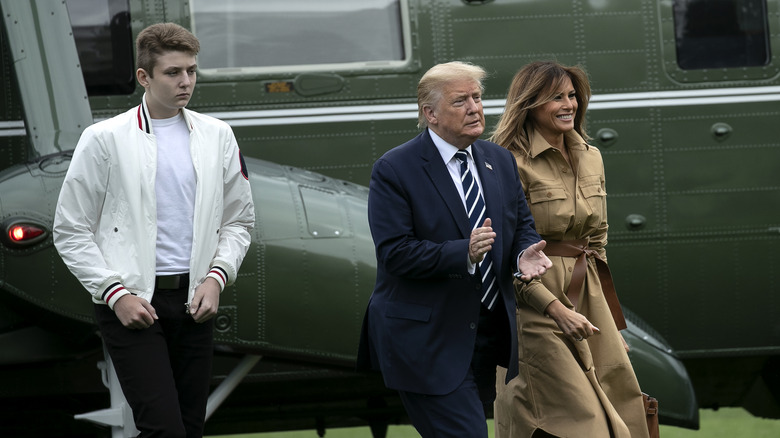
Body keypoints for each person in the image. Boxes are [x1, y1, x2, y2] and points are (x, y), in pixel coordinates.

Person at [53, 23, 255, 438]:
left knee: (189, 429)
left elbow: (238, 221)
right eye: (173, 72)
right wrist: (116, 294)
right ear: (144, 77)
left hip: (195, 303)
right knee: (164, 431)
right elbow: (70, 230)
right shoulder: (104, 139)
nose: (186, 82)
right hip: (131, 306)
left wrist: (217, 279)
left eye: (192, 71)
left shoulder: (218, 135)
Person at [356, 61, 552, 437]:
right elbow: (395, 253)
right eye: (460, 101)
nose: (475, 108)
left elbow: (521, 225)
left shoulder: (499, 160)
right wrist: (464, 252)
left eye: (477, 97)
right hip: (426, 342)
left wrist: (523, 252)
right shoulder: (395, 169)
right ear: (430, 114)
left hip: (484, 336)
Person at [490, 61, 650, 438]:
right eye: (555, 97)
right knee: (576, 422)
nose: (568, 104)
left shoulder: (592, 155)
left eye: (572, 95)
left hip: (589, 292)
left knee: (623, 404)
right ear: (529, 104)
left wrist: (611, 320)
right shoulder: (508, 162)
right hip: (534, 300)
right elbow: (504, 257)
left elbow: (597, 242)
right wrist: (554, 307)